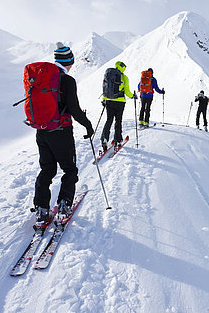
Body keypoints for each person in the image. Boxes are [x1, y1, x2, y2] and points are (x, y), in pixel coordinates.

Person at [34, 43, 94, 226]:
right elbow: (74, 109)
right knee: (69, 169)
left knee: (47, 169)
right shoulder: (67, 81)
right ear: (69, 61)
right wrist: (88, 125)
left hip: (42, 131)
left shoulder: (42, 78)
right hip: (61, 132)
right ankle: (63, 207)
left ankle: (42, 210)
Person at [100, 61, 136, 151]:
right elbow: (127, 91)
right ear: (123, 67)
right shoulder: (124, 77)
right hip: (120, 102)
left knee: (109, 120)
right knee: (118, 120)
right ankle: (118, 140)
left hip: (109, 101)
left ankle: (104, 138)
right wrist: (133, 96)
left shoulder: (108, 75)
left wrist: (104, 100)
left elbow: (105, 88)